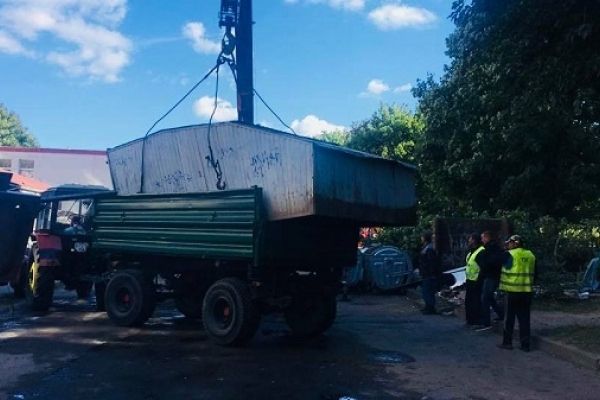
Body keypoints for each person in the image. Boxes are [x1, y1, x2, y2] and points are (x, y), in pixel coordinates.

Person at [498, 235, 536, 351]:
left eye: (510, 243)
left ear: (515, 243)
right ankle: (525, 345)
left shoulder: (509, 254)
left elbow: (500, 265)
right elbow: (536, 272)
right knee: (524, 319)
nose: (508, 245)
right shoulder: (530, 255)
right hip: (526, 292)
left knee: (509, 318)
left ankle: (507, 342)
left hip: (512, 291)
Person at [474, 230, 505, 331]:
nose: (481, 240)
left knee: (485, 298)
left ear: (487, 238)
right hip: (492, 275)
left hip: (491, 276)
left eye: (483, 237)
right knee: (489, 297)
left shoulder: (491, 248)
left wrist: (482, 262)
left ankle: (486, 322)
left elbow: (489, 263)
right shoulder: (493, 248)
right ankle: (501, 314)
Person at [464, 233, 484, 326]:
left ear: (474, 240)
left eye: (470, 239)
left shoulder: (481, 251)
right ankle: (470, 320)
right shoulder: (471, 252)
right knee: (469, 301)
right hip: (469, 280)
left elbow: (482, 268)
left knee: (475, 301)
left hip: (476, 281)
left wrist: (479, 279)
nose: (469, 241)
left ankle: (476, 320)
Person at [419, 231, 440, 315]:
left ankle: (430, 308)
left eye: (422, 237)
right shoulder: (427, 247)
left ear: (425, 238)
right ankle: (428, 306)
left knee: (428, 291)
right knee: (426, 291)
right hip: (426, 273)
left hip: (428, 274)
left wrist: (432, 274)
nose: (421, 238)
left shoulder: (429, 248)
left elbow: (431, 263)